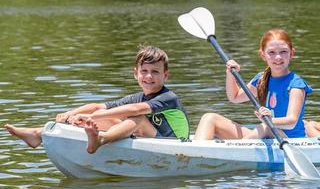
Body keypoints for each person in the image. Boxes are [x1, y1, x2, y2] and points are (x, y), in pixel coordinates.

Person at [4, 45, 189, 154]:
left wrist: (95, 117)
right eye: (144, 71)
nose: (149, 76)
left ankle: (102, 139)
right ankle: (38, 135)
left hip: (173, 143)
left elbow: (133, 111)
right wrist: (71, 114)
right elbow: (97, 105)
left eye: (155, 72)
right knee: (98, 114)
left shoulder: (168, 97)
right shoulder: (138, 96)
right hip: (151, 138)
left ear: (166, 75)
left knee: (133, 117)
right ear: (135, 74)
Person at [194, 29, 312, 140]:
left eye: (283, 52)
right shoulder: (262, 79)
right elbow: (234, 97)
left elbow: (291, 122)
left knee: (265, 126)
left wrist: (270, 120)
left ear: (292, 53)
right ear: (262, 55)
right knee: (210, 118)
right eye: (271, 52)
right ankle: (194, 153)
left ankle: (239, 150)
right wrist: (230, 74)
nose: (278, 57)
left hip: (291, 140)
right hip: (267, 133)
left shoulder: (296, 84)